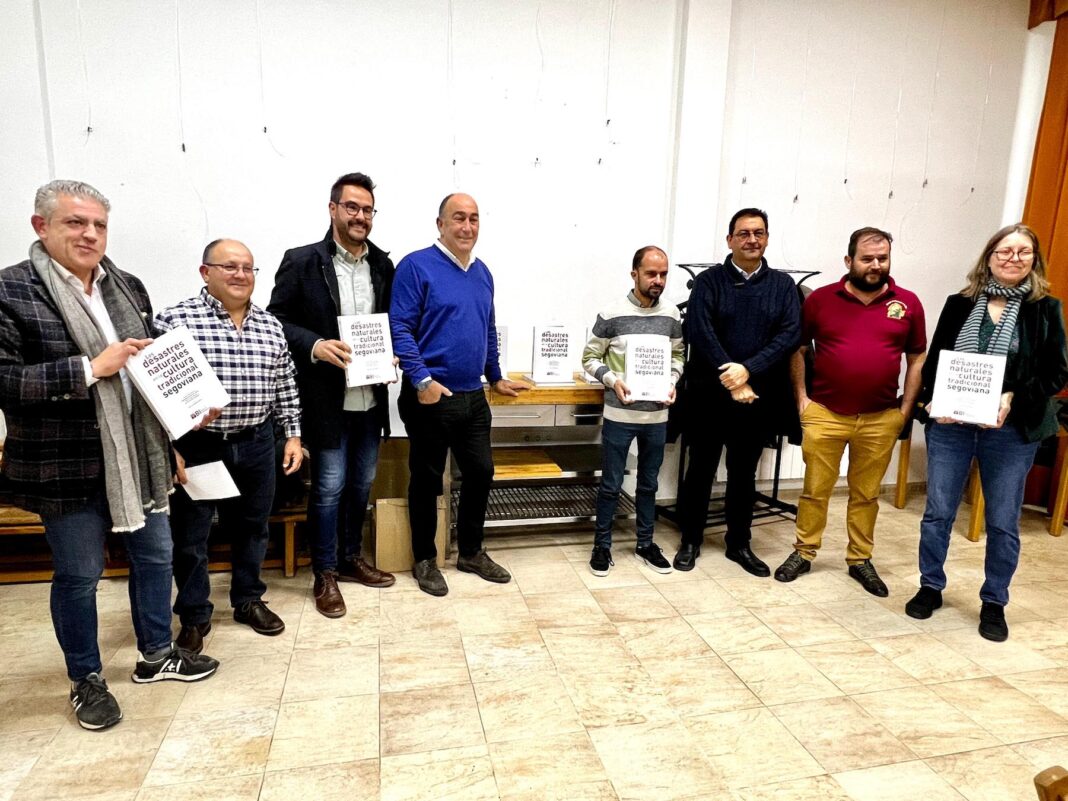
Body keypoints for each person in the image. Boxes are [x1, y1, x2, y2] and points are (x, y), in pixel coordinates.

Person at [0, 180, 218, 732]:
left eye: (98, 224)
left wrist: (183, 416)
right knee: (79, 575)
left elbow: (148, 372)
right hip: (65, 463)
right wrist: (89, 369)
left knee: (156, 558)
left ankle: (156, 654)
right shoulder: (10, 290)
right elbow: (5, 380)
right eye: (75, 222)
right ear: (41, 226)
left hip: (141, 458)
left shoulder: (127, 286)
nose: (90, 234)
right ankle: (86, 678)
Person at [905, 224, 1068, 641]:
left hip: (1011, 431)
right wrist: (934, 401)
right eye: (1004, 251)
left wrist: (1013, 397)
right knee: (938, 512)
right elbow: (937, 361)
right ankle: (930, 586)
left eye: (1023, 252)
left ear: (1034, 260)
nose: (1013, 258)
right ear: (989, 258)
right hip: (952, 427)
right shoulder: (959, 304)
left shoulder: (1045, 308)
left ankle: (994, 601)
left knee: (1002, 521)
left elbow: (1056, 373)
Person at [158, 239, 303, 652]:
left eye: (248, 268)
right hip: (199, 446)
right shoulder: (174, 321)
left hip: (257, 441)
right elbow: (153, 390)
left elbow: (285, 384)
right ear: (205, 272)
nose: (241, 275)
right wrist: (168, 446)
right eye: (229, 267)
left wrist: (293, 434)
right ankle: (194, 614)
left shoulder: (270, 325)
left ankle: (248, 599)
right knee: (191, 536)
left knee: (254, 527)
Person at [268, 173, 397, 619]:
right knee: (328, 488)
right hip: (326, 402)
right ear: (333, 209)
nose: (360, 216)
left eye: (367, 210)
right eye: (352, 207)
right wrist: (315, 345)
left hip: (370, 399)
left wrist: (392, 354)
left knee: (361, 484)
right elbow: (276, 322)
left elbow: (391, 324)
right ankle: (324, 572)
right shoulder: (302, 261)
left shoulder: (383, 265)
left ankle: (349, 558)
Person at [773, 227, 925, 596]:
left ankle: (860, 559)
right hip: (825, 413)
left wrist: (905, 408)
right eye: (867, 258)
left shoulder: (908, 303)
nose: (876, 265)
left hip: (880, 417)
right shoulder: (821, 300)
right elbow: (798, 349)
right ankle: (804, 551)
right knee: (815, 491)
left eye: (882, 258)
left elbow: (917, 356)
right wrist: (802, 399)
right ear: (849, 260)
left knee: (866, 495)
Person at [390, 193, 527, 596]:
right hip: (431, 396)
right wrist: (421, 380)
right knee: (427, 480)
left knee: (481, 473)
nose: (467, 227)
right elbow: (400, 328)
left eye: (474, 219)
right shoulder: (416, 266)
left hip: (473, 396)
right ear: (441, 224)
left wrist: (495, 376)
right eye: (458, 218)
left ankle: (470, 552)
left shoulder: (482, 273)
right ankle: (425, 559)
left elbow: (487, 328)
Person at [672, 208, 800, 576]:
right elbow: (699, 331)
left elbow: (789, 334)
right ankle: (690, 540)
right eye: (743, 233)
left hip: (756, 398)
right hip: (709, 396)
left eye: (758, 233)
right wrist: (734, 376)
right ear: (729, 240)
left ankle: (739, 543)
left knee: (744, 474)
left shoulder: (783, 286)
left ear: (767, 238)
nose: (751, 240)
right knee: (700, 470)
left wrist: (749, 370)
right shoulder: (708, 282)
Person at [582, 245, 684, 576]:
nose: (658, 280)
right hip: (620, 416)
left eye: (663, 274)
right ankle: (602, 546)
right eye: (651, 273)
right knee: (611, 484)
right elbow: (589, 358)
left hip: (657, 416)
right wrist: (613, 381)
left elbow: (678, 355)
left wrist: (672, 380)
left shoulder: (671, 316)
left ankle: (645, 544)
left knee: (649, 484)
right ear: (634, 274)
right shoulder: (611, 314)